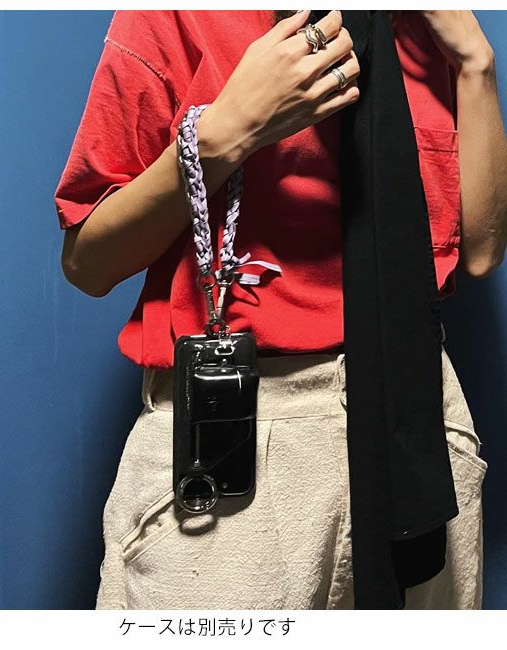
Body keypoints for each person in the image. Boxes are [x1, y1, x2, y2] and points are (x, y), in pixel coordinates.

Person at [54, 10, 507, 609]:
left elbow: (481, 251)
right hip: (244, 432)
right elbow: (88, 263)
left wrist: (476, 64)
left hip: (419, 418)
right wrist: (224, 135)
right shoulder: (177, 17)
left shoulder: (426, 22)